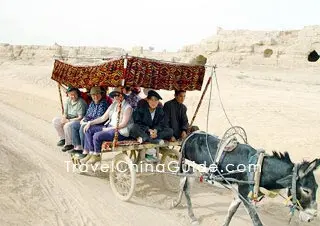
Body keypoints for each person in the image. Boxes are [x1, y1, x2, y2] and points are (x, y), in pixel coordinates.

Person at [80, 87, 133, 165]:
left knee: (97, 136)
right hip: (109, 127)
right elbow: (103, 118)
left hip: (120, 131)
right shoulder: (113, 105)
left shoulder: (127, 107)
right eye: (114, 96)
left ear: (123, 96)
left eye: (118, 95)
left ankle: (97, 154)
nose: (116, 98)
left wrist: (109, 129)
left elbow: (123, 124)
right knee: (89, 129)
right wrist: (90, 123)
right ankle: (91, 153)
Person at [69, 86, 110, 155]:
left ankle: (85, 149)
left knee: (83, 128)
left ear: (101, 94)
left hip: (98, 124)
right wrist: (84, 120)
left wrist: (87, 122)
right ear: (91, 96)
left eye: (97, 94)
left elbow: (99, 118)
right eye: (93, 95)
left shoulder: (103, 103)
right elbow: (87, 114)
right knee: (74, 125)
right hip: (88, 122)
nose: (95, 96)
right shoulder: (92, 104)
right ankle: (77, 146)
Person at [52, 86, 87, 151]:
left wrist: (68, 121)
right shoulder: (68, 100)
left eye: (74, 94)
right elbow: (65, 113)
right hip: (69, 118)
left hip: (78, 120)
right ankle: (63, 138)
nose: (73, 96)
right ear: (68, 95)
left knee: (67, 126)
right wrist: (64, 118)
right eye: (71, 95)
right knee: (55, 120)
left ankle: (69, 144)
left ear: (77, 94)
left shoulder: (81, 102)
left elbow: (80, 117)